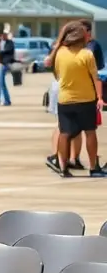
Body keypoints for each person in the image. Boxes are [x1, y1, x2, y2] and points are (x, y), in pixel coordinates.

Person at [50, 21, 105, 178]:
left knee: (65, 133)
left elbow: (58, 74)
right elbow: (95, 78)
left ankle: (62, 167)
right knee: (90, 132)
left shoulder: (59, 53)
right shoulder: (87, 54)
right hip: (86, 99)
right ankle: (94, 167)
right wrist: (99, 97)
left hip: (65, 99)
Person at [0, 30, 15, 107]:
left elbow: (6, 51)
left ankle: (6, 100)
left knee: (1, 83)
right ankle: (5, 100)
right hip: (0, 63)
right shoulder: (0, 42)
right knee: (1, 83)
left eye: (5, 35)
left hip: (4, 64)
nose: (3, 36)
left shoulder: (9, 43)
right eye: (2, 34)